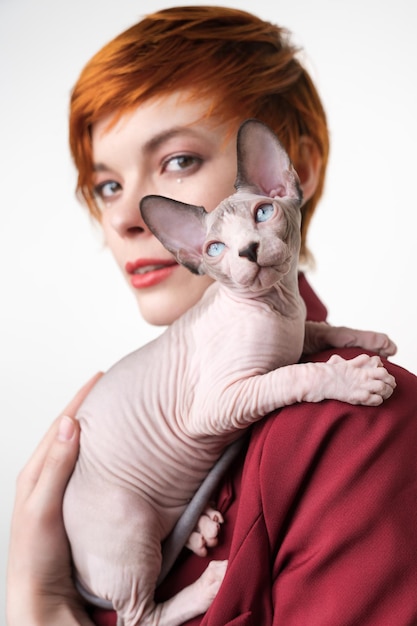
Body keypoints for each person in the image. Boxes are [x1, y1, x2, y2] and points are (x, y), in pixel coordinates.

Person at [6, 6, 417, 626]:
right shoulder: (149, 421)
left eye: (177, 160)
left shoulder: (355, 423)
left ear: (287, 173)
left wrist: (40, 609)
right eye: (107, 185)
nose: (126, 218)